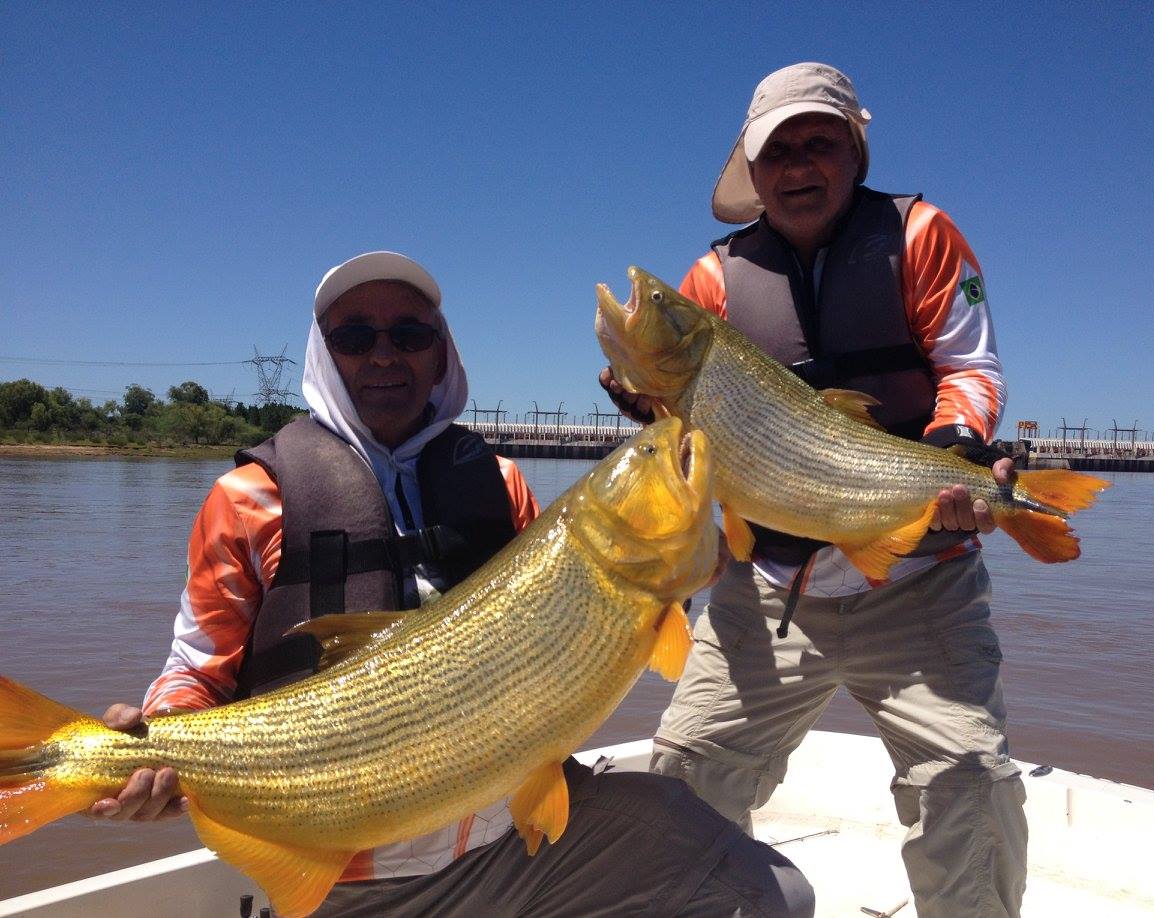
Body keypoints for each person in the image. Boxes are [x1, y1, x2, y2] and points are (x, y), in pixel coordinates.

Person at [86, 251, 814, 916]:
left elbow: (589, 626)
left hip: (520, 845)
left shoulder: (499, 485)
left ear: (441, 354)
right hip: (351, 878)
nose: (383, 355)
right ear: (323, 354)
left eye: (409, 334)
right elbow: (192, 671)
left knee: (767, 893)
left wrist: (681, 576)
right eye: (353, 337)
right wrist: (154, 744)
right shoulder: (247, 500)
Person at [601, 63, 1026, 917]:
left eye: (818, 143)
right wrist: (647, 402)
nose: (798, 166)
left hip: (919, 579)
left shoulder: (922, 235)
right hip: (763, 592)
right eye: (778, 151)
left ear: (855, 152)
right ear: (753, 173)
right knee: (687, 775)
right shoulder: (712, 281)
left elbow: (970, 366)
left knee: (967, 783)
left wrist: (952, 452)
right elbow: (686, 432)